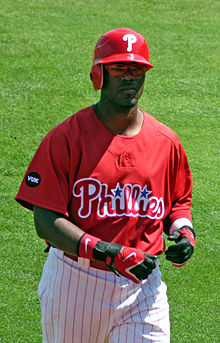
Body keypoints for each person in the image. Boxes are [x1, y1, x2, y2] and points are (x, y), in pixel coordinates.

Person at [16, 28, 196, 343]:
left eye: (136, 69)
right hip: (77, 281)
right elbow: (45, 221)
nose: (129, 77)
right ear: (99, 74)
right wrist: (108, 252)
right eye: (118, 68)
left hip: (144, 287)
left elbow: (178, 202)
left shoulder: (166, 142)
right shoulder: (66, 138)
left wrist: (184, 232)